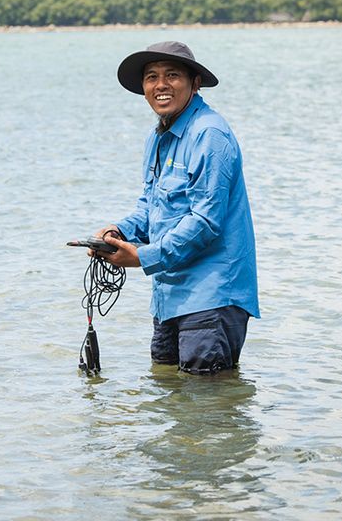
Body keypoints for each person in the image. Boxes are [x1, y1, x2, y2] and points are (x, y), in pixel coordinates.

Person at [94, 40, 260, 374]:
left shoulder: (209, 134)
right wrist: (119, 231)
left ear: (195, 82)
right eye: (151, 77)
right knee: (169, 400)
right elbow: (150, 204)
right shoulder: (158, 136)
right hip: (170, 296)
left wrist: (141, 257)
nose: (161, 85)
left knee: (205, 411)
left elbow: (205, 221)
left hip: (212, 297)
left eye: (172, 75)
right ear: (143, 88)